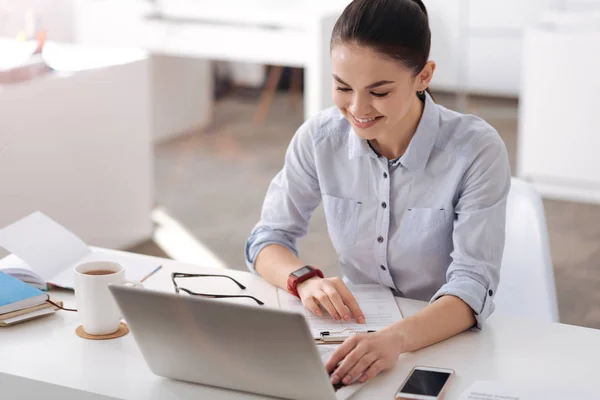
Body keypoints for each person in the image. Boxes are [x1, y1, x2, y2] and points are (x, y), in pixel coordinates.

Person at [244, 0, 511, 387]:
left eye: (379, 92)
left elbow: (472, 286)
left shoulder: (475, 151)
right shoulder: (319, 139)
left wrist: (393, 340)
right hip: (354, 334)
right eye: (342, 87)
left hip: (443, 341)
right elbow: (266, 240)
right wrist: (304, 280)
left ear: (423, 76)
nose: (357, 108)